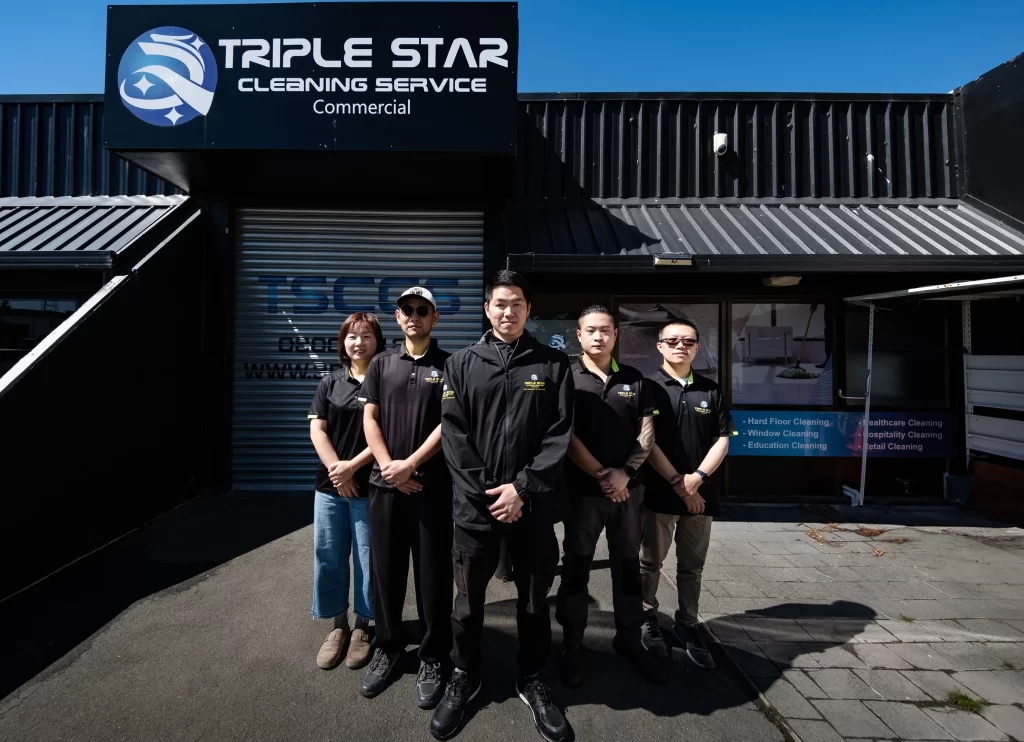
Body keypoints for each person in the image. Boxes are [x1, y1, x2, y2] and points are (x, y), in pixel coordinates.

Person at [431, 270, 573, 742]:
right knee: (468, 605)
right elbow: (454, 435)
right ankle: (463, 674)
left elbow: (559, 435)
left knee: (534, 602)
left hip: (532, 508)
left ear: (528, 310)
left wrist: (522, 489)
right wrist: (491, 493)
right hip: (476, 510)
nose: (507, 311)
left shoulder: (553, 364)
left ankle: (532, 678)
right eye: (499, 303)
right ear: (486, 309)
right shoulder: (461, 364)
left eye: (516, 303)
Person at [555, 306, 669, 688]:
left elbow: (646, 432)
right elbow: (566, 435)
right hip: (584, 494)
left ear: (615, 334)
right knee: (576, 570)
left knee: (627, 570)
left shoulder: (635, 379)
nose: (599, 337)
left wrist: (626, 474)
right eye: (591, 331)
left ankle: (629, 640)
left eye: (606, 330)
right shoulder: (567, 377)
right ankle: (572, 645)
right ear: (579, 335)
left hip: (629, 495)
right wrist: (603, 476)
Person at [360, 287, 453, 710]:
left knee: (432, 574)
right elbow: (370, 418)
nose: (413, 316)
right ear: (398, 318)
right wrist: (387, 468)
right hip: (385, 488)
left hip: (430, 488)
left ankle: (434, 656)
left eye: (422, 310)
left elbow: (449, 424)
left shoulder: (451, 364)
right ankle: (389, 646)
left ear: (434, 317)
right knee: (386, 571)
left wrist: (410, 465)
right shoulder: (381, 363)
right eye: (407, 310)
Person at [640, 319, 735, 669]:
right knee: (649, 563)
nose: (681, 346)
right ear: (660, 346)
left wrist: (697, 478)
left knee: (692, 567)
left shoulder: (711, 390)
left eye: (689, 341)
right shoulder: (647, 387)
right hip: (658, 494)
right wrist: (679, 484)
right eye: (673, 340)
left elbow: (722, 439)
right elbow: (646, 443)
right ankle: (647, 618)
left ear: (697, 347)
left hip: (702, 494)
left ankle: (688, 624)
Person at [308, 312, 385, 671]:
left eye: (366, 336)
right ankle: (337, 625)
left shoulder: (385, 381)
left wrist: (353, 467)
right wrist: (339, 471)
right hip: (329, 489)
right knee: (329, 556)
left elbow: (387, 433)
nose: (359, 342)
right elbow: (318, 431)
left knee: (369, 560)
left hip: (370, 487)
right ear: (343, 342)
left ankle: (363, 627)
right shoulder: (330, 382)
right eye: (352, 336)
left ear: (377, 341)